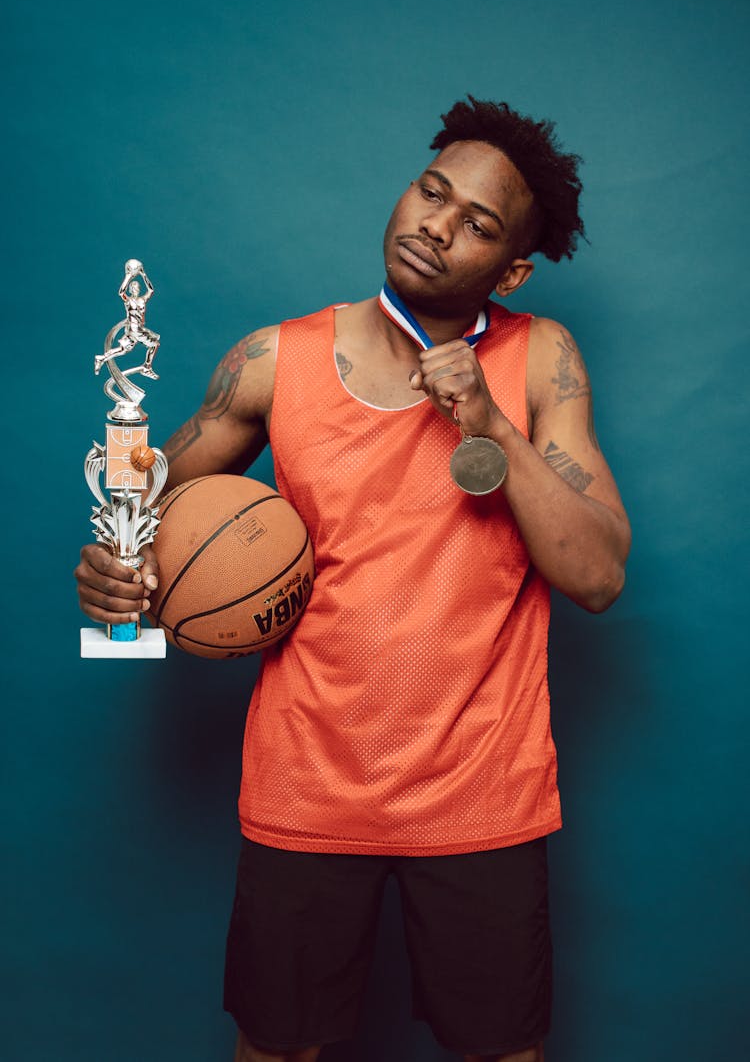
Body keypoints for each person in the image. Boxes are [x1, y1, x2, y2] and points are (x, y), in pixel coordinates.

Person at [75, 96, 631, 1062]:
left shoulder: (542, 358)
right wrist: (117, 578)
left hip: (480, 795)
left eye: (478, 226)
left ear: (509, 270)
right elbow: (142, 514)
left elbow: (598, 575)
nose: (435, 225)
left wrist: (494, 427)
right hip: (307, 787)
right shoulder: (270, 359)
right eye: (431, 192)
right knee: (280, 1050)